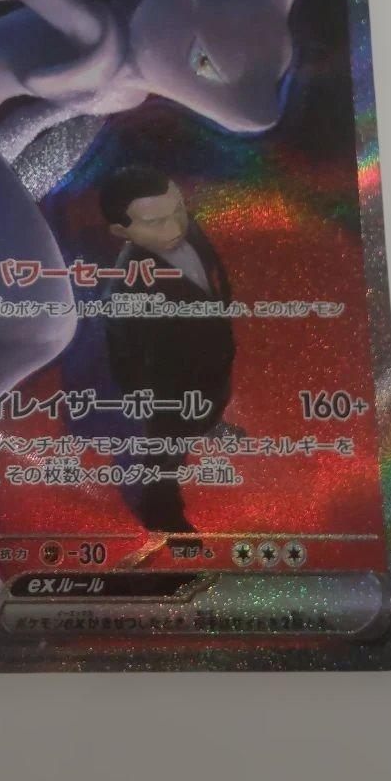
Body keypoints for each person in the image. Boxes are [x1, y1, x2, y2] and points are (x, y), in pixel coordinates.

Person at [99, 166, 236, 537]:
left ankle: (209, 424)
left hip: (211, 357)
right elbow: (123, 351)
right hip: (168, 387)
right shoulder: (126, 288)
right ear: (121, 231)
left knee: (215, 397)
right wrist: (146, 396)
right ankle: (161, 511)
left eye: (178, 211)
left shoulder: (190, 231)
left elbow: (211, 271)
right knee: (166, 452)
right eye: (156, 222)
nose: (175, 227)